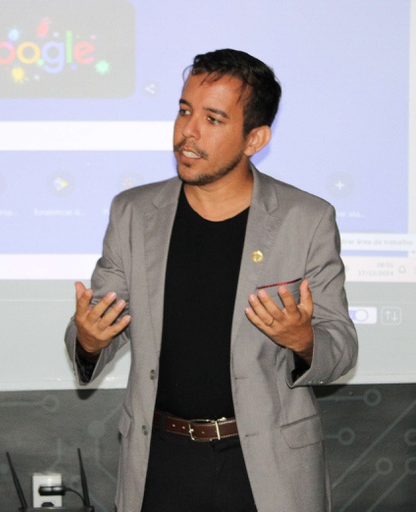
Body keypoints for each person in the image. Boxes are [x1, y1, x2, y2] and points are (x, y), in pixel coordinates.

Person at [65, 48, 358, 512]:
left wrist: (303, 340)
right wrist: (88, 338)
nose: (188, 131)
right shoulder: (133, 213)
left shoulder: (306, 219)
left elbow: (340, 345)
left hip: (265, 465)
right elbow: (96, 321)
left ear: (254, 138)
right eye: (185, 111)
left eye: (213, 119)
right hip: (162, 460)